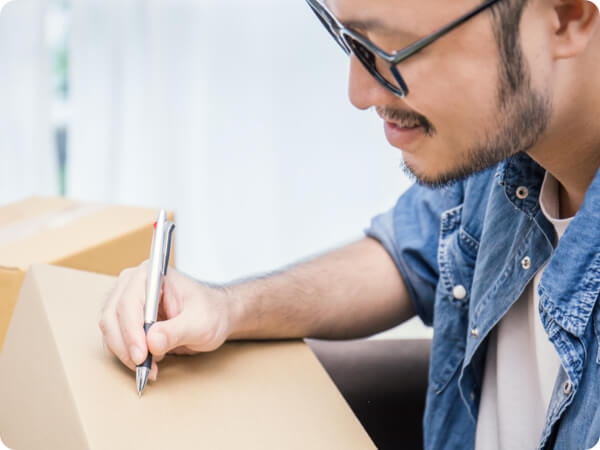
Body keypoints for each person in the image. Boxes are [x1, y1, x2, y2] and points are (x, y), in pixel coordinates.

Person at [99, 0, 600, 448]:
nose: (360, 93)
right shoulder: (500, 159)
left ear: (566, 18)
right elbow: (407, 255)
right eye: (352, 42)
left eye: (398, 50)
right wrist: (226, 307)